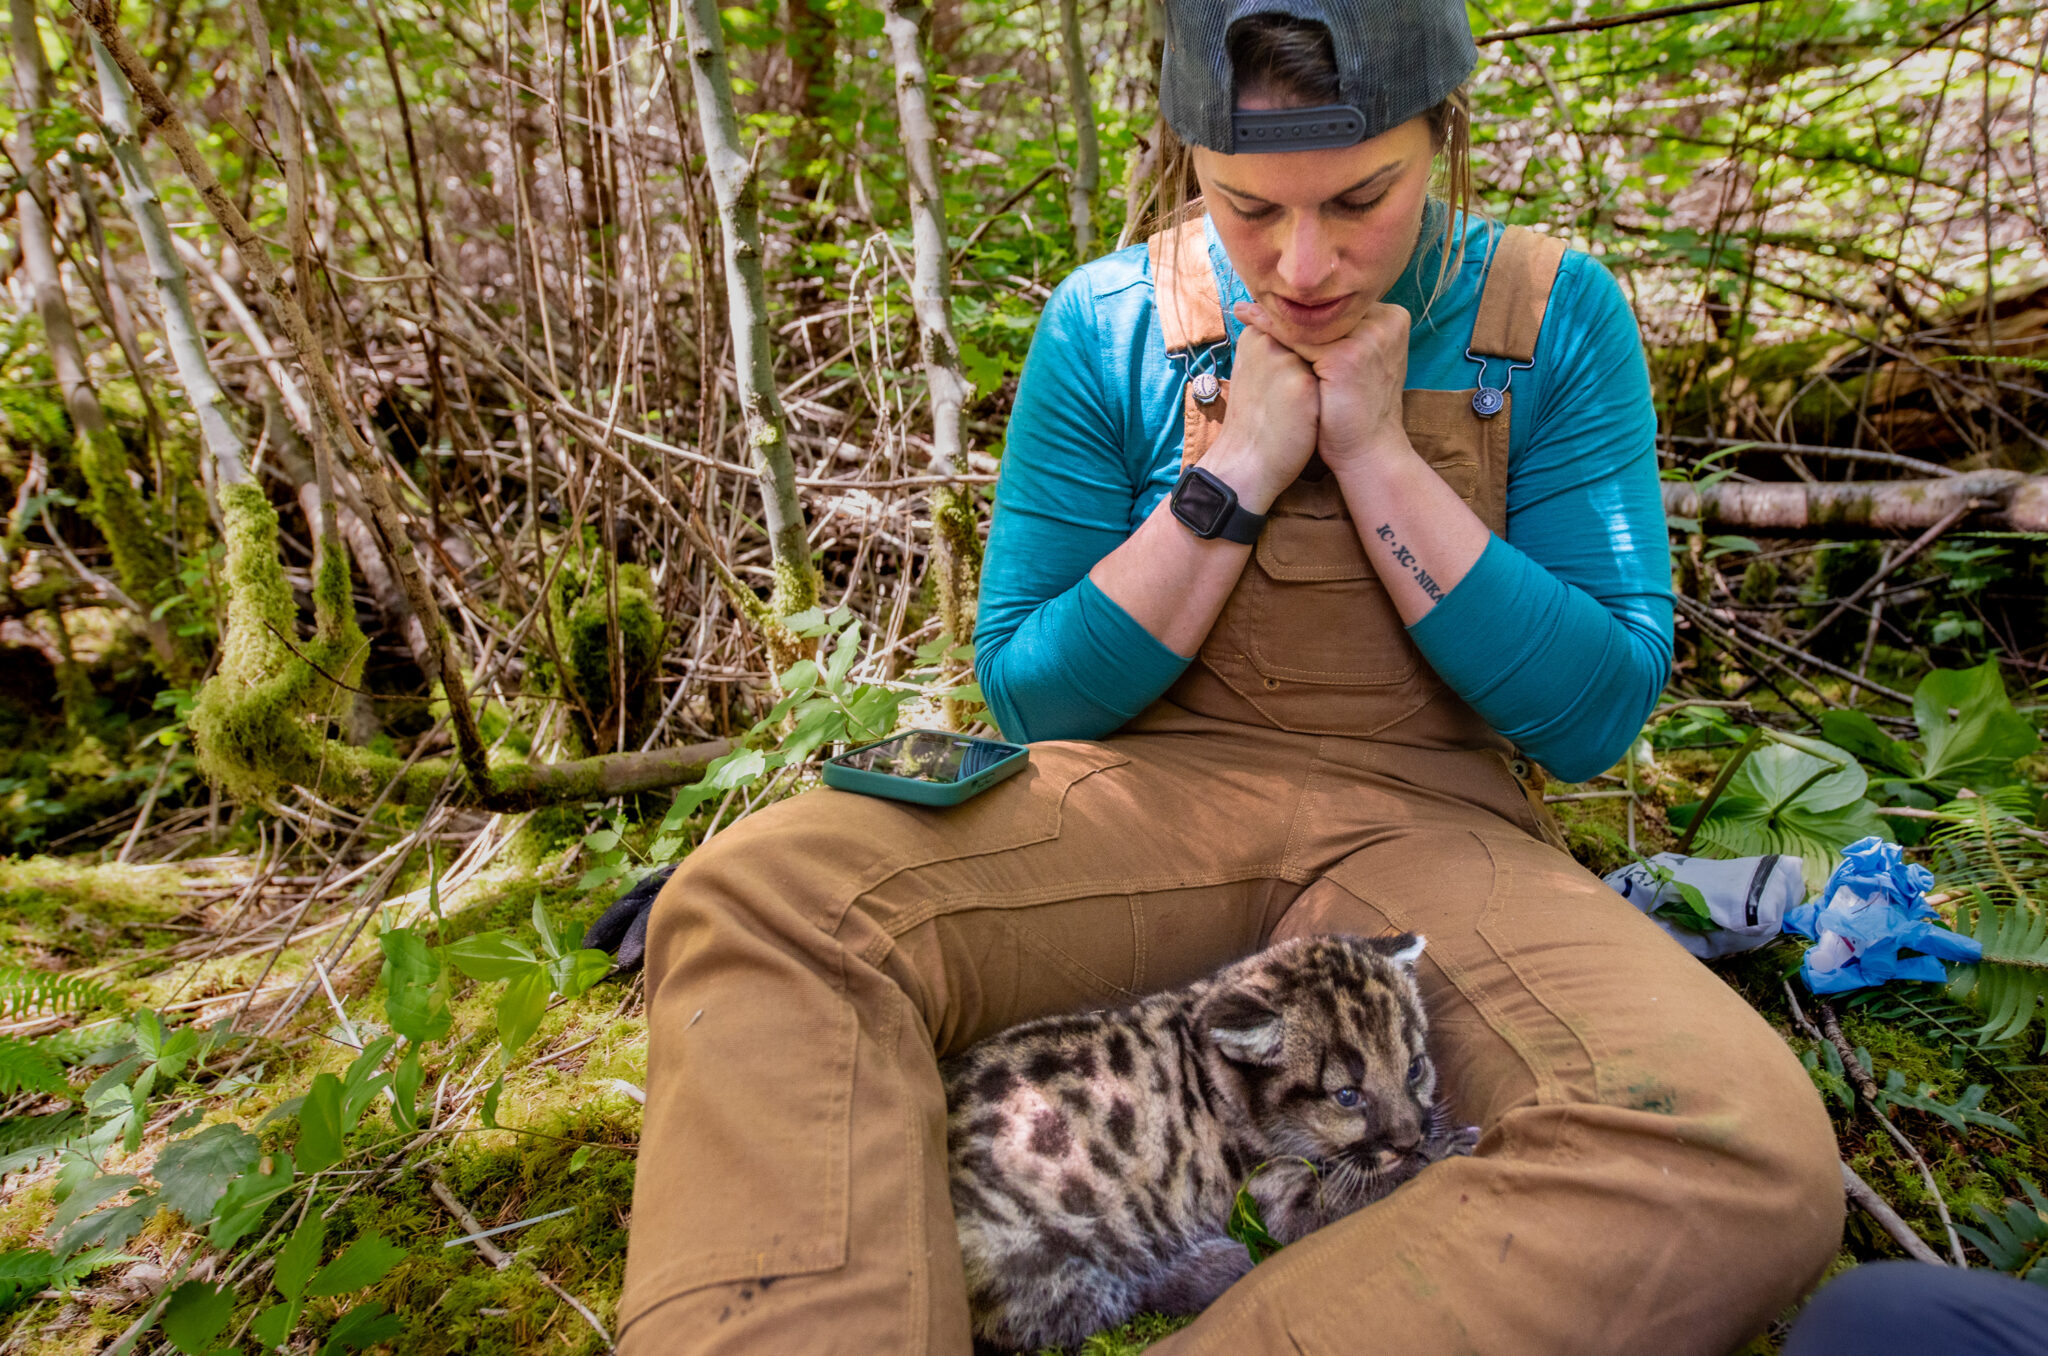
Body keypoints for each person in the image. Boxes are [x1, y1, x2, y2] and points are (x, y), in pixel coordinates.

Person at [607, 1, 1845, 1350]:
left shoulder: (1551, 318)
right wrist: (1240, 463)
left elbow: (1594, 713)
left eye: (1361, 200)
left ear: (1446, 137)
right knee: (759, 904)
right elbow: (1034, 697)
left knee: (1741, 1153)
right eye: (1249, 209)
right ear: (1186, 153)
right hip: (1137, 808)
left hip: (1437, 840)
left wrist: (1375, 450)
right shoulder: (1111, 324)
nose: (1304, 264)